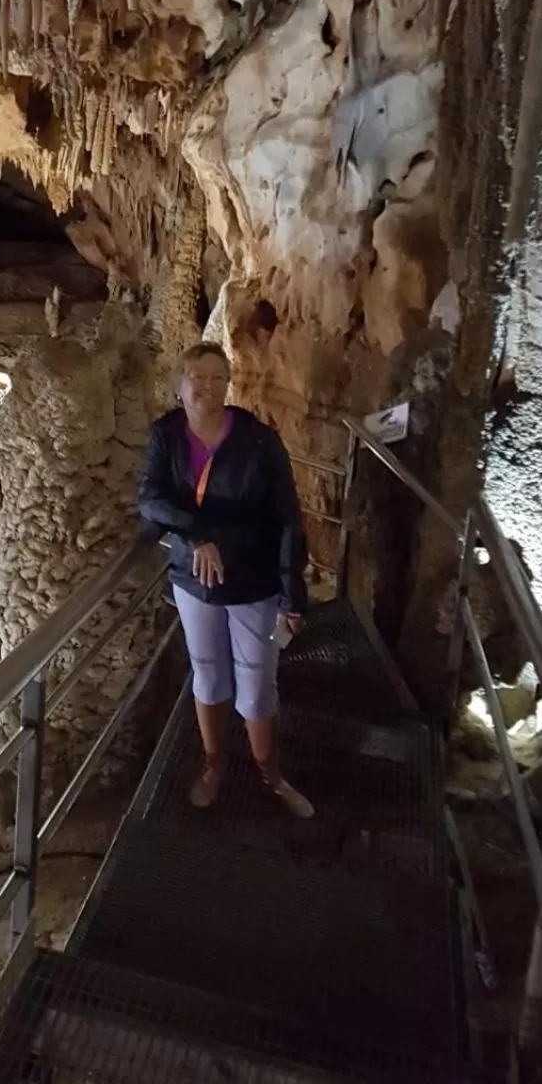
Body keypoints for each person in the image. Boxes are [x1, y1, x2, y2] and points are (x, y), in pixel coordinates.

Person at [138, 341, 313, 817]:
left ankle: (269, 774)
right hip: (194, 580)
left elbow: (287, 519)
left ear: (229, 384)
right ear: (180, 384)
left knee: (257, 681)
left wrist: (292, 595)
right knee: (209, 673)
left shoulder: (258, 440)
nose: (207, 386)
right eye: (197, 375)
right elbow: (150, 499)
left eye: (218, 376)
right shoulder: (167, 436)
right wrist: (197, 535)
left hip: (253, 579)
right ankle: (214, 767)